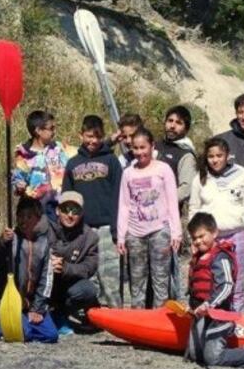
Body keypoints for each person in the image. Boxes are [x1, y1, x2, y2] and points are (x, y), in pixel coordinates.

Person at [183, 212, 244, 369]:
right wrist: (191, 307)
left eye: (202, 236)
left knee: (213, 358)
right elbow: (195, 288)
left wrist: (209, 305)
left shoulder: (220, 257)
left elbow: (227, 286)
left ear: (214, 232)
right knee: (195, 355)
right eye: (194, 238)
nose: (198, 241)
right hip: (201, 315)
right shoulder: (198, 257)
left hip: (219, 316)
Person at [117, 127, 181, 309]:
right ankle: (138, 320)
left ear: (152, 146)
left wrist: (176, 233)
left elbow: (172, 202)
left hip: (159, 230)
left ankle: (161, 318)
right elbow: (124, 205)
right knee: (137, 282)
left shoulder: (164, 169)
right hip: (135, 233)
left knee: (160, 279)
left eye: (143, 147)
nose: (139, 152)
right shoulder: (128, 173)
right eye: (135, 148)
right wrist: (122, 235)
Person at [63, 115, 123, 308]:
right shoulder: (72, 164)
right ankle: (91, 314)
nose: (93, 141)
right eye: (89, 136)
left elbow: (119, 195)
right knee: (88, 273)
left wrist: (116, 228)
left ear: (103, 136)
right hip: (83, 229)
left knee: (110, 274)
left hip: (106, 227)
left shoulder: (111, 161)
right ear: (81, 135)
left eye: (97, 136)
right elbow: (67, 196)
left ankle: (116, 313)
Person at [187, 137, 244, 312]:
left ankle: (237, 327)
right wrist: (193, 241)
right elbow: (193, 210)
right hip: (210, 239)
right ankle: (213, 323)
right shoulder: (199, 178)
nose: (215, 160)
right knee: (212, 283)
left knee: (236, 285)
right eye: (211, 156)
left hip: (236, 235)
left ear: (227, 156)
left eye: (219, 155)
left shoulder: (243, 174)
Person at [0, 197, 59, 343]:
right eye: (20, 216)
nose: (24, 221)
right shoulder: (11, 239)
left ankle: (19, 325)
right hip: (12, 300)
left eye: (29, 217)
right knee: (25, 333)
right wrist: (2, 243)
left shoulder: (44, 242)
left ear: (38, 218)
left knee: (51, 335)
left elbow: (46, 278)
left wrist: (37, 309)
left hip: (32, 302)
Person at [48, 191, 100, 335]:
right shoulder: (45, 228)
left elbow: (89, 267)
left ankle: (61, 314)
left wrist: (66, 268)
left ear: (81, 213)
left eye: (75, 211)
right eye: (66, 210)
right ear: (58, 211)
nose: (70, 215)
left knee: (88, 290)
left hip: (69, 285)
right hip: (43, 283)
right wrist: (48, 262)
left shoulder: (90, 237)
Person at [12, 109, 73, 220]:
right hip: (39, 212)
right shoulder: (24, 156)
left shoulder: (59, 148)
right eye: (51, 128)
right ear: (38, 131)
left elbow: (79, 156)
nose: (54, 131)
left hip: (62, 208)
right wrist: (19, 187)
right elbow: (17, 181)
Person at [156, 105, 197, 210]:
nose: (172, 126)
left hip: (166, 217)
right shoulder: (154, 145)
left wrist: (160, 201)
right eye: (170, 121)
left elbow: (186, 189)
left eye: (179, 123)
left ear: (186, 129)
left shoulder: (186, 155)